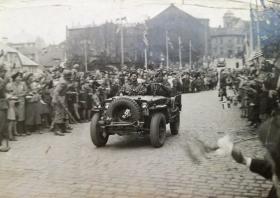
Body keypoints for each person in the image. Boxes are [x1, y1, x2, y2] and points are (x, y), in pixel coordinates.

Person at [52, 70, 72, 136]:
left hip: (62, 97)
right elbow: (56, 92)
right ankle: (56, 130)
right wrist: (59, 101)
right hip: (58, 98)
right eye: (69, 76)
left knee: (63, 114)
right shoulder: (63, 82)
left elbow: (63, 91)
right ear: (66, 76)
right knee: (58, 114)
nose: (70, 77)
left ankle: (63, 128)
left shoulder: (63, 80)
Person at [0, 65, 10, 152]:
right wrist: (4, 82)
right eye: (3, 72)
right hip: (1, 104)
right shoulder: (1, 81)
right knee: (1, 125)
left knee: (3, 125)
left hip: (3, 103)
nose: (4, 73)